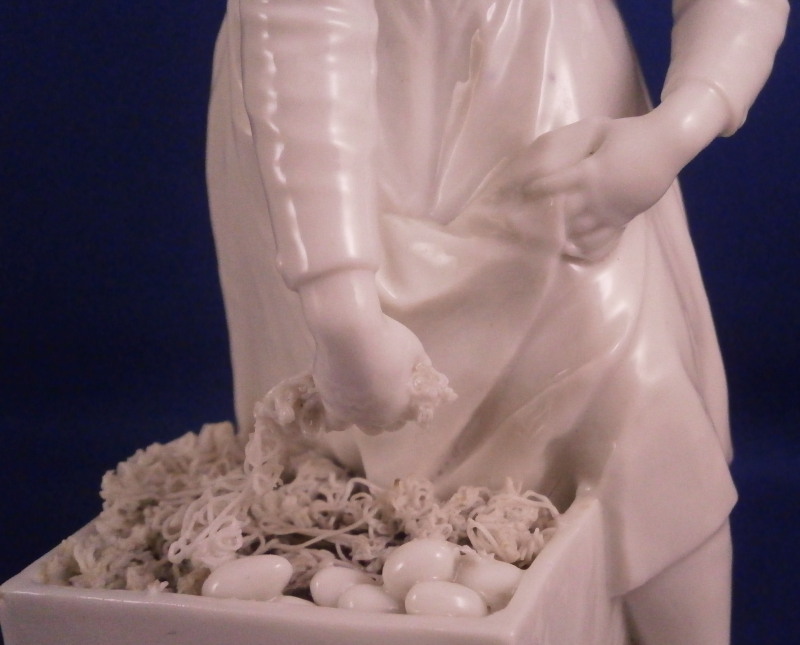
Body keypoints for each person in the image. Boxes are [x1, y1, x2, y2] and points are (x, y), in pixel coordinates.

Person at [206, 1, 789, 642]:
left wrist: (679, 126)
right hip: (334, 160)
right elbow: (299, 22)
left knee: (645, 412)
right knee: (355, 462)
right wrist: (340, 306)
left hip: (557, 105)